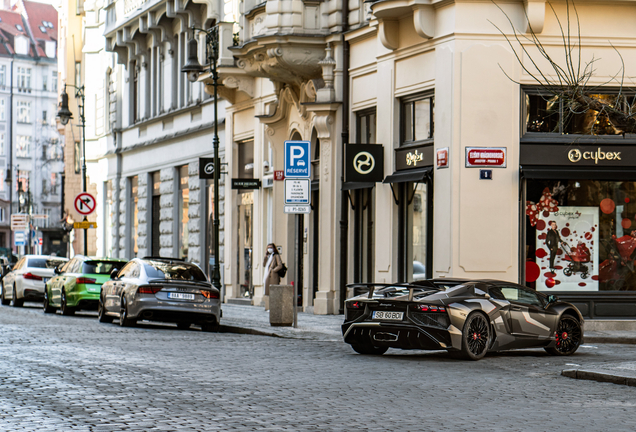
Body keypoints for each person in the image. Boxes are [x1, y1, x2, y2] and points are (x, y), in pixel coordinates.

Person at [262, 243, 283, 310]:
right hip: (268, 276)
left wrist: (273, 270)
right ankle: (269, 308)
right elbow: (264, 264)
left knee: (273, 292)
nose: (269, 249)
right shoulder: (268, 256)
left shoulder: (276, 255)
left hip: (273, 277)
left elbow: (280, 265)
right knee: (268, 293)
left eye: (271, 247)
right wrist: (265, 256)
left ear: (274, 248)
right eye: (268, 247)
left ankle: (274, 308)